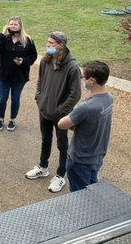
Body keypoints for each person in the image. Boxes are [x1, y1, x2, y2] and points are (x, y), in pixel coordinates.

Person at [25, 31, 81, 193]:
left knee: (62, 145)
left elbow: (75, 94)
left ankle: (61, 175)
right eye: (47, 42)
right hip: (44, 110)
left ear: (61, 45)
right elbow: (40, 80)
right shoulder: (46, 60)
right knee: (45, 139)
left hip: (61, 115)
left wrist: (60, 110)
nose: (48, 46)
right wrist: (39, 98)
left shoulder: (72, 67)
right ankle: (43, 167)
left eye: (51, 43)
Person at [58, 61, 113, 192]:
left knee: (80, 196)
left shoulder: (85, 107)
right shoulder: (109, 98)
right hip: (97, 155)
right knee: (93, 188)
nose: (82, 80)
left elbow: (61, 124)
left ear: (92, 80)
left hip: (80, 160)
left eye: (83, 77)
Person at [0, 16, 37, 131]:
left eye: (15, 24)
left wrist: (23, 61)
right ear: (7, 25)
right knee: (2, 99)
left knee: (15, 99)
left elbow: (33, 56)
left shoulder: (27, 40)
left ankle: (12, 119)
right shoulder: (4, 38)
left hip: (19, 76)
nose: (13, 26)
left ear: (20, 26)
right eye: (11, 24)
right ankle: (0, 119)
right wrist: (2, 33)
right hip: (4, 75)